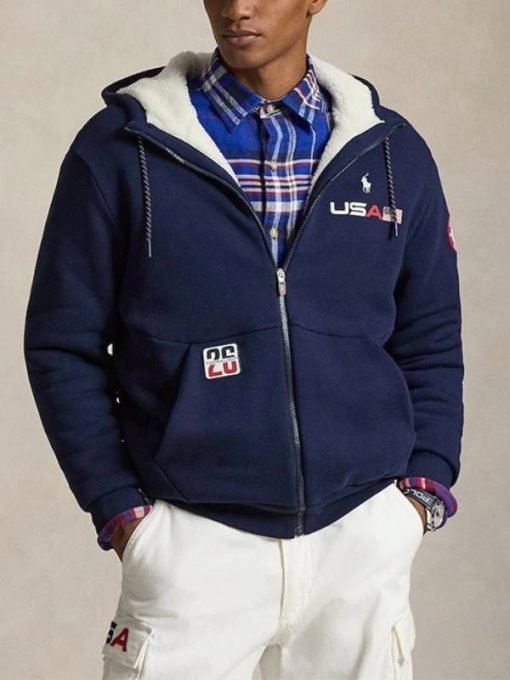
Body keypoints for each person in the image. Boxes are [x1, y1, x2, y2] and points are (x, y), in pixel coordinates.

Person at [23, 1, 464, 678]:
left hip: (360, 539)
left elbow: (429, 336)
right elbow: (63, 343)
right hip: (193, 543)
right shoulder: (123, 148)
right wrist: (121, 511)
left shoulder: (390, 151)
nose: (237, 7)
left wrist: (420, 493)